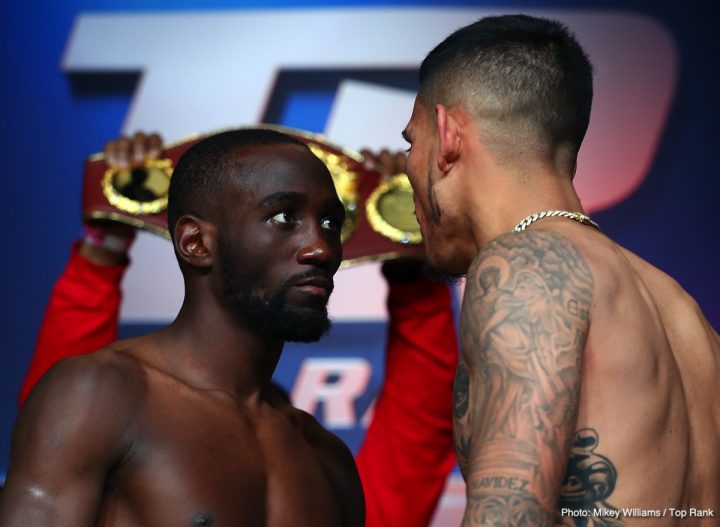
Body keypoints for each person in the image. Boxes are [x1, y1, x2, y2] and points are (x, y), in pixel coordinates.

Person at [12, 132, 458, 527]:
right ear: (195, 243)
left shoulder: (327, 461)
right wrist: (104, 247)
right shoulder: (99, 394)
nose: (320, 247)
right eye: (283, 218)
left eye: (331, 223)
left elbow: (416, 438)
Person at [402, 13, 720, 526]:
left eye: (410, 143)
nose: (410, 167)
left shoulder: (526, 266)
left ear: (448, 134)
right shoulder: (681, 309)